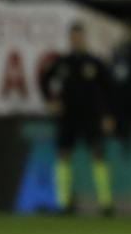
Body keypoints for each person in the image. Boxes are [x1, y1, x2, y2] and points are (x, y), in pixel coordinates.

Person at [39, 22, 116, 215]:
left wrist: (107, 114)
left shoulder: (94, 63)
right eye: (73, 37)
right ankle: (64, 203)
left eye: (79, 36)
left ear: (84, 38)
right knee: (63, 155)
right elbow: (44, 79)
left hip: (91, 116)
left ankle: (106, 203)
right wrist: (50, 100)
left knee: (98, 154)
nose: (76, 40)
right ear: (70, 39)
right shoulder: (63, 62)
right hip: (68, 116)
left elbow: (109, 89)